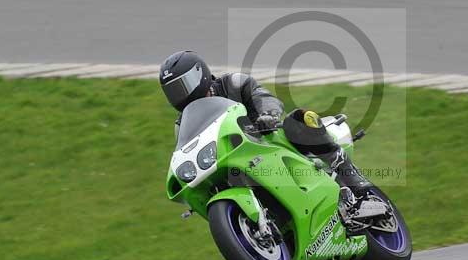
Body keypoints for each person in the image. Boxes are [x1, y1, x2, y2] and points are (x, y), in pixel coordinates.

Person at [159, 50, 371, 198]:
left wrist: (267, 115)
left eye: (182, 86)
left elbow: (263, 97)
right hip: (236, 163)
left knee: (299, 118)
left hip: (268, 139)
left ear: (200, 74)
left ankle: (350, 175)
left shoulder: (233, 84)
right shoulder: (182, 125)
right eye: (173, 91)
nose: (180, 96)